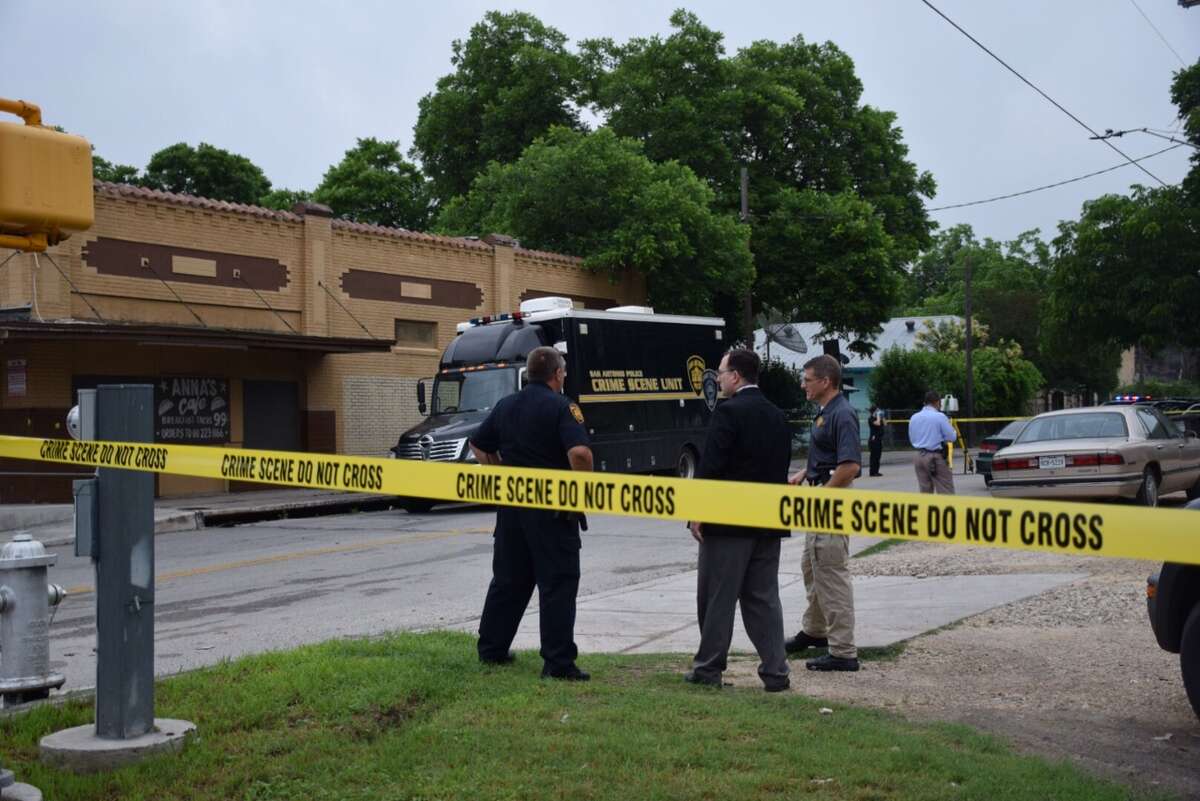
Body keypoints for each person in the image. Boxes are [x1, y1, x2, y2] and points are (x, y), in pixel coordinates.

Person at [470, 346, 594, 681]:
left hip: (512, 511)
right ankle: (557, 663)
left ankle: (492, 649)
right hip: (553, 514)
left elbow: (479, 445)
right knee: (557, 584)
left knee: (509, 581)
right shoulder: (562, 406)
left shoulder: (506, 405)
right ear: (557, 374)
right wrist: (580, 489)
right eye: (563, 373)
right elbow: (580, 453)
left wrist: (501, 477)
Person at [685, 348, 792, 692]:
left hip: (729, 521)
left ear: (737, 376)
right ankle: (776, 672)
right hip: (768, 518)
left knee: (717, 597)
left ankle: (708, 668)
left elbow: (712, 465)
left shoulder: (728, 412)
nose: (717, 378)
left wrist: (697, 511)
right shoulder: (777, 415)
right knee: (764, 598)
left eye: (721, 372)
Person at [785, 354, 861, 672]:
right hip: (819, 494)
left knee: (831, 572)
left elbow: (850, 467)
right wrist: (805, 473)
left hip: (830, 501)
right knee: (811, 566)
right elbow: (828, 455)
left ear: (825, 382)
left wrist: (823, 497)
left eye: (808, 379)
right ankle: (815, 631)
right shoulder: (825, 412)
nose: (803, 384)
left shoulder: (843, 414)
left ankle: (843, 651)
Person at [908, 390, 957, 495]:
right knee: (945, 490)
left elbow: (912, 439)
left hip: (919, 456)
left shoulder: (914, 417)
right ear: (937, 402)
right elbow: (951, 437)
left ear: (925, 402)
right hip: (935, 457)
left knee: (925, 491)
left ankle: (926, 510)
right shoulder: (939, 417)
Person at [867, 404, 885, 477]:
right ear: (874, 411)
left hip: (879, 439)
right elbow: (877, 424)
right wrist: (877, 416)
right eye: (877, 411)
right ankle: (872, 472)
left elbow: (885, 423)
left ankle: (876, 471)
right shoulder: (871, 418)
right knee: (874, 456)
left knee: (878, 456)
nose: (878, 412)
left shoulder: (879, 418)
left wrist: (882, 417)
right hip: (873, 440)